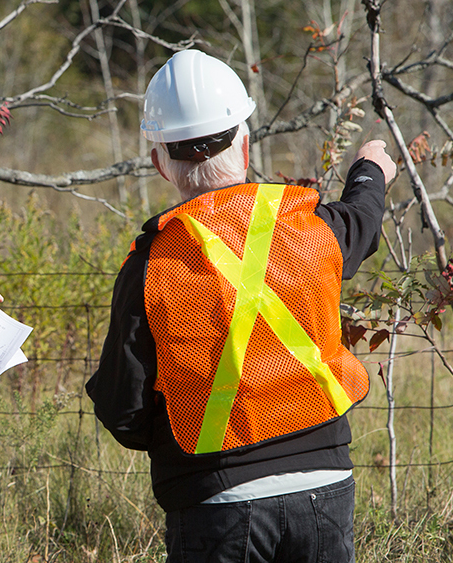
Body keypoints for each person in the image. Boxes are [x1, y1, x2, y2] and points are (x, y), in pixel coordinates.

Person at [86, 49, 397, 563]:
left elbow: (124, 412)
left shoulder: (148, 268)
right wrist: (370, 170)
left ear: (158, 161)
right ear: (245, 144)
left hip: (214, 500)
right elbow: (360, 223)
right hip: (326, 486)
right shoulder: (310, 227)